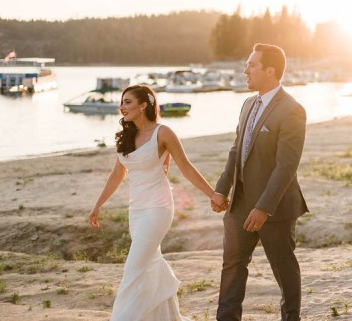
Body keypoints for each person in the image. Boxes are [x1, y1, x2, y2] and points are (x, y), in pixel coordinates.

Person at [88, 84, 227, 321]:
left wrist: (212, 193)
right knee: (150, 262)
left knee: (133, 268)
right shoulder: (126, 136)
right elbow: (116, 174)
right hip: (137, 210)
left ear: (144, 105)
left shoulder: (163, 133)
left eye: (128, 102)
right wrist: (98, 204)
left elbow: (186, 167)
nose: (122, 107)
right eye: (122, 102)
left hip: (158, 208)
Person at [211, 43, 308, 321]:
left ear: (270, 70)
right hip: (239, 205)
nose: (245, 71)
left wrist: (264, 207)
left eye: (251, 65)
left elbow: (286, 165)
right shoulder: (247, 104)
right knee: (232, 266)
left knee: (284, 270)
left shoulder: (292, 110)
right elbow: (236, 150)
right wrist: (221, 189)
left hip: (274, 209)